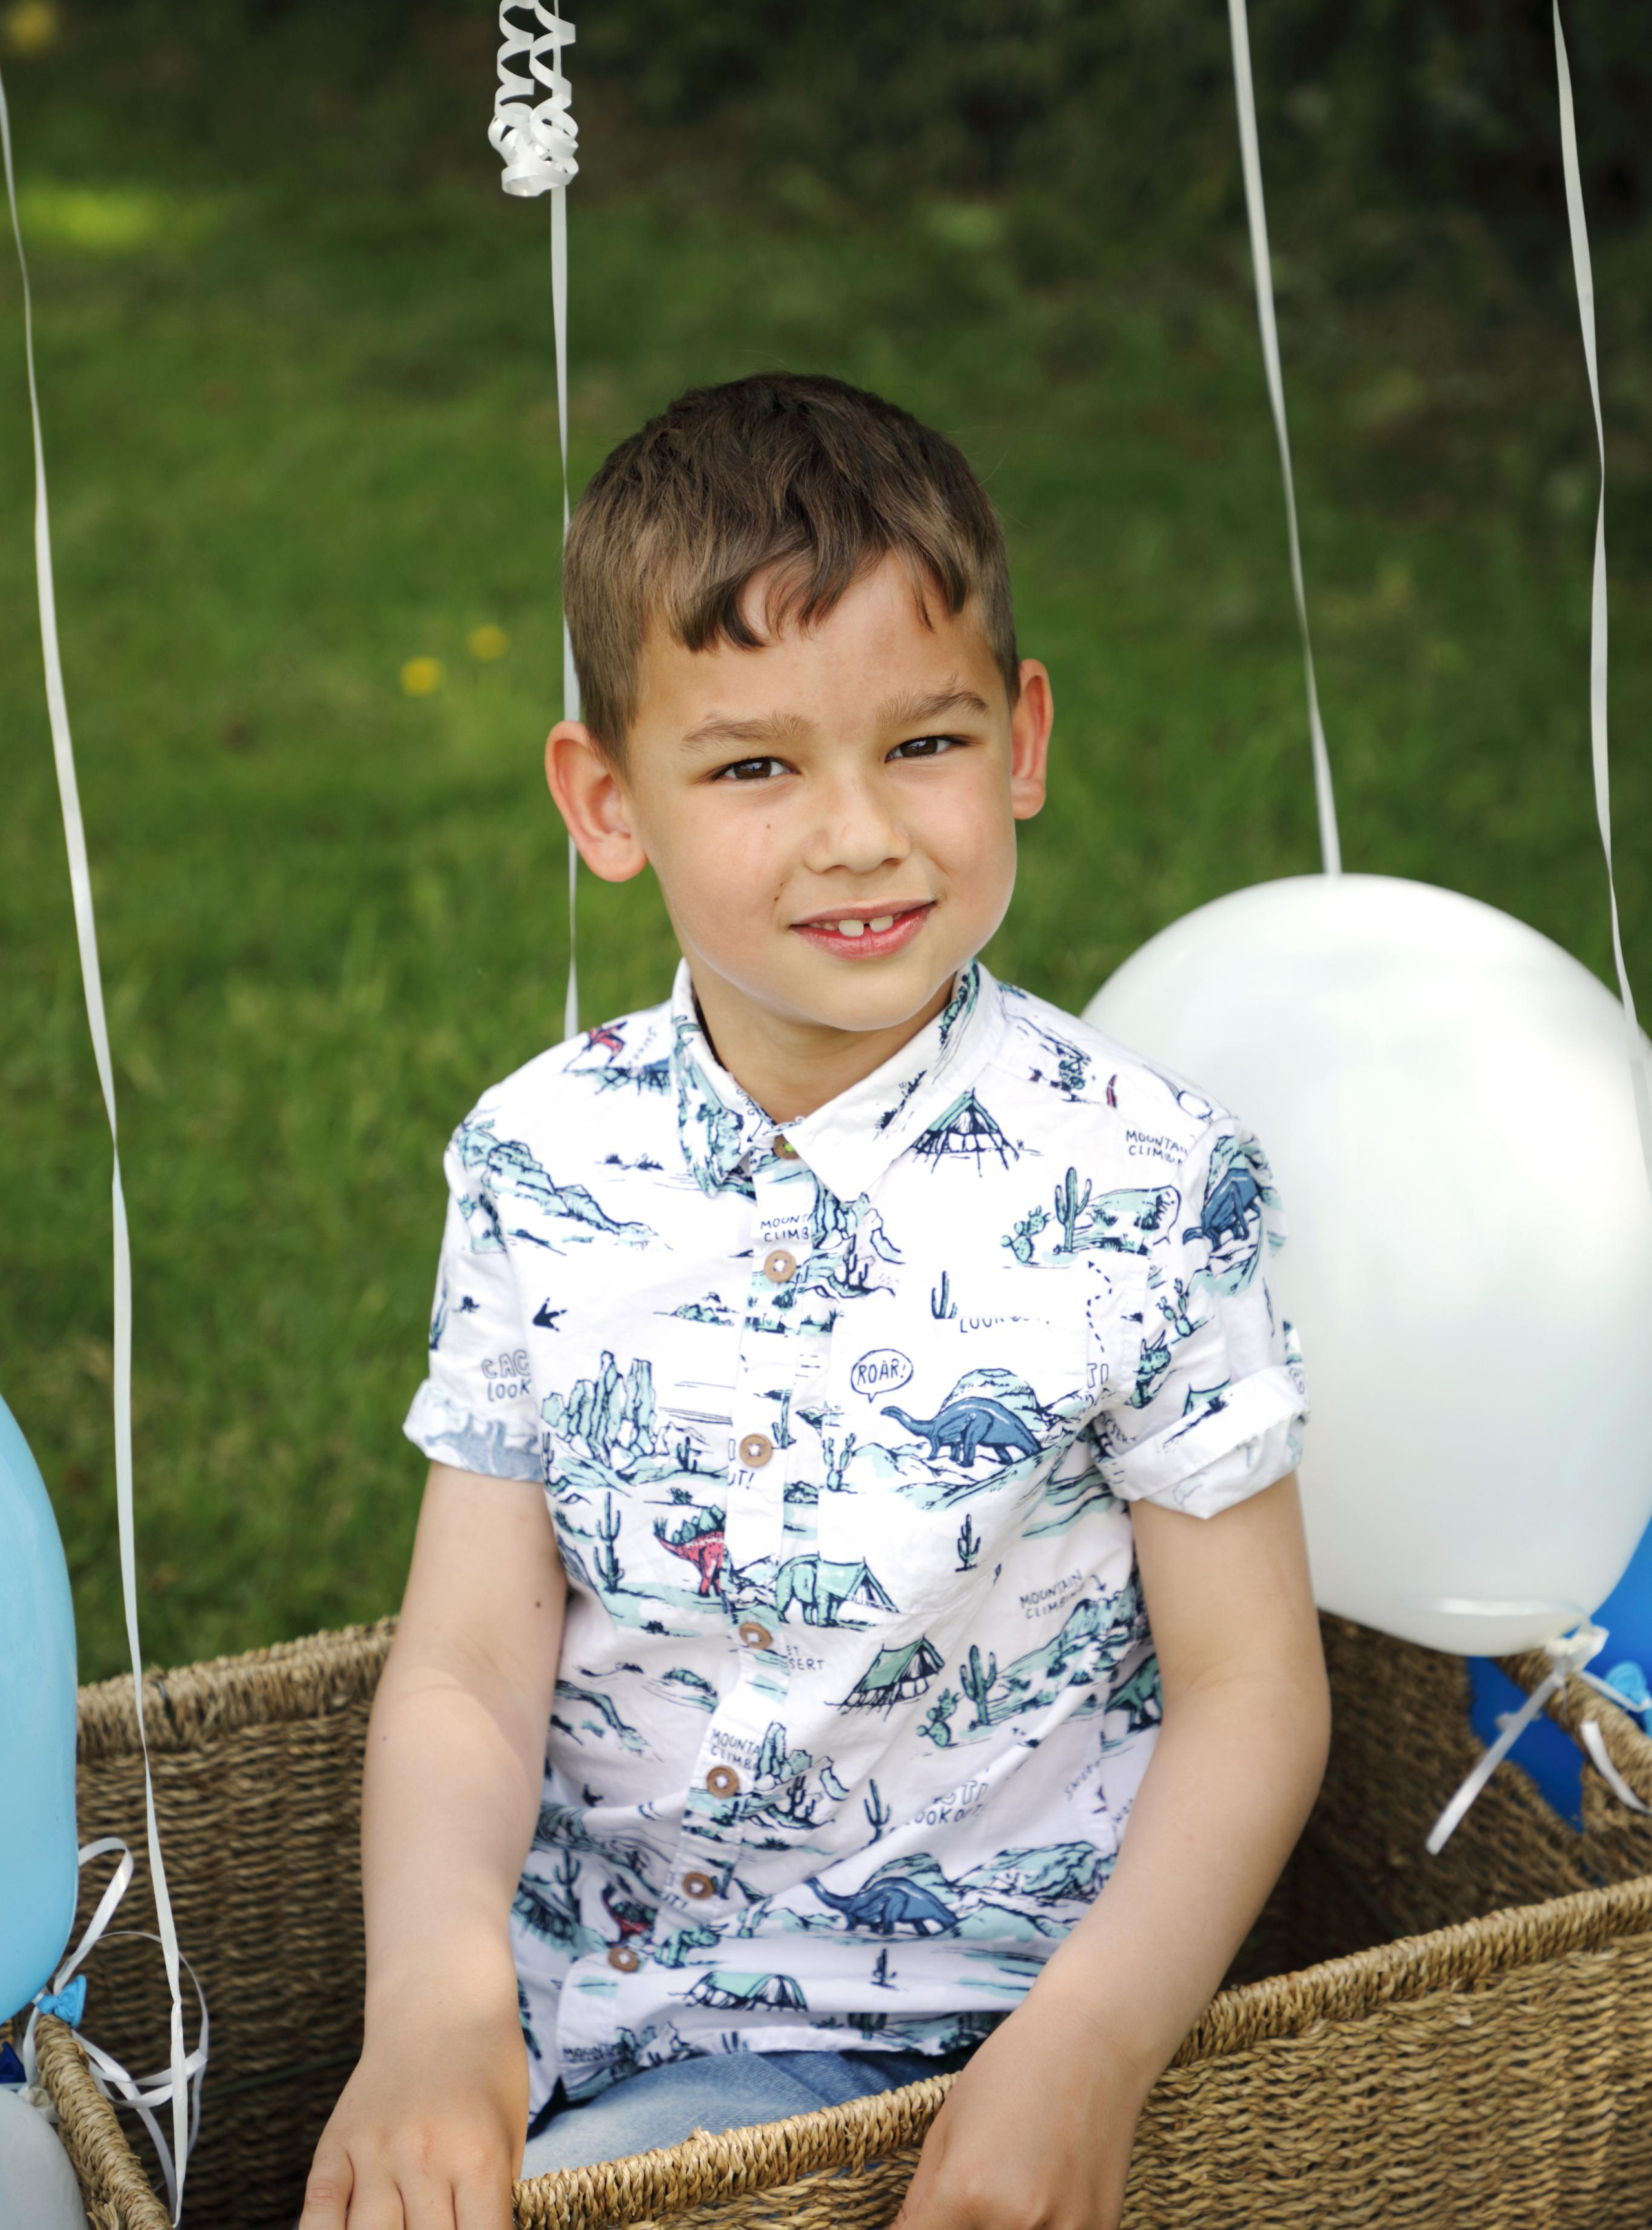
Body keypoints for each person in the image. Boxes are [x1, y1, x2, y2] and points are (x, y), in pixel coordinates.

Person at [301, 372, 1329, 2230]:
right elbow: (467, 1661)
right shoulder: (541, 1161)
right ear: (606, 801)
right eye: (757, 766)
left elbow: (1253, 1690)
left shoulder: (1150, 1182)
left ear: (1021, 743)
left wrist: (1084, 2057)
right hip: (586, 1994)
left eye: (921, 745)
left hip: (992, 2025)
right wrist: (434, 2009)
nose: (858, 835)